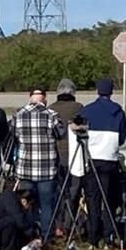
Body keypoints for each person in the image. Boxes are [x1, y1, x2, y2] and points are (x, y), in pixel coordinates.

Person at [11, 86, 66, 241]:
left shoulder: (18, 115)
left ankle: (28, 235)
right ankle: (46, 236)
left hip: (25, 169)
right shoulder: (52, 116)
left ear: (30, 98)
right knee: (46, 205)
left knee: (26, 204)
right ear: (45, 99)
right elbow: (60, 134)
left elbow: (13, 135)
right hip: (46, 169)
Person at [78, 78, 126, 248]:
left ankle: (93, 238)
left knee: (93, 199)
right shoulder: (118, 111)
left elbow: (79, 133)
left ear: (97, 91)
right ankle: (109, 237)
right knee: (109, 200)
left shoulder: (87, 110)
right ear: (111, 92)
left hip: (92, 159)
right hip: (110, 159)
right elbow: (122, 137)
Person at [50, 78, 85, 232]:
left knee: (58, 191)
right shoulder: (79, 108)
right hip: (75, 156)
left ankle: (58, 224)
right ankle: (69, 224)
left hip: (55, 156)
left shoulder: (50, 109)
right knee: (74, 191)